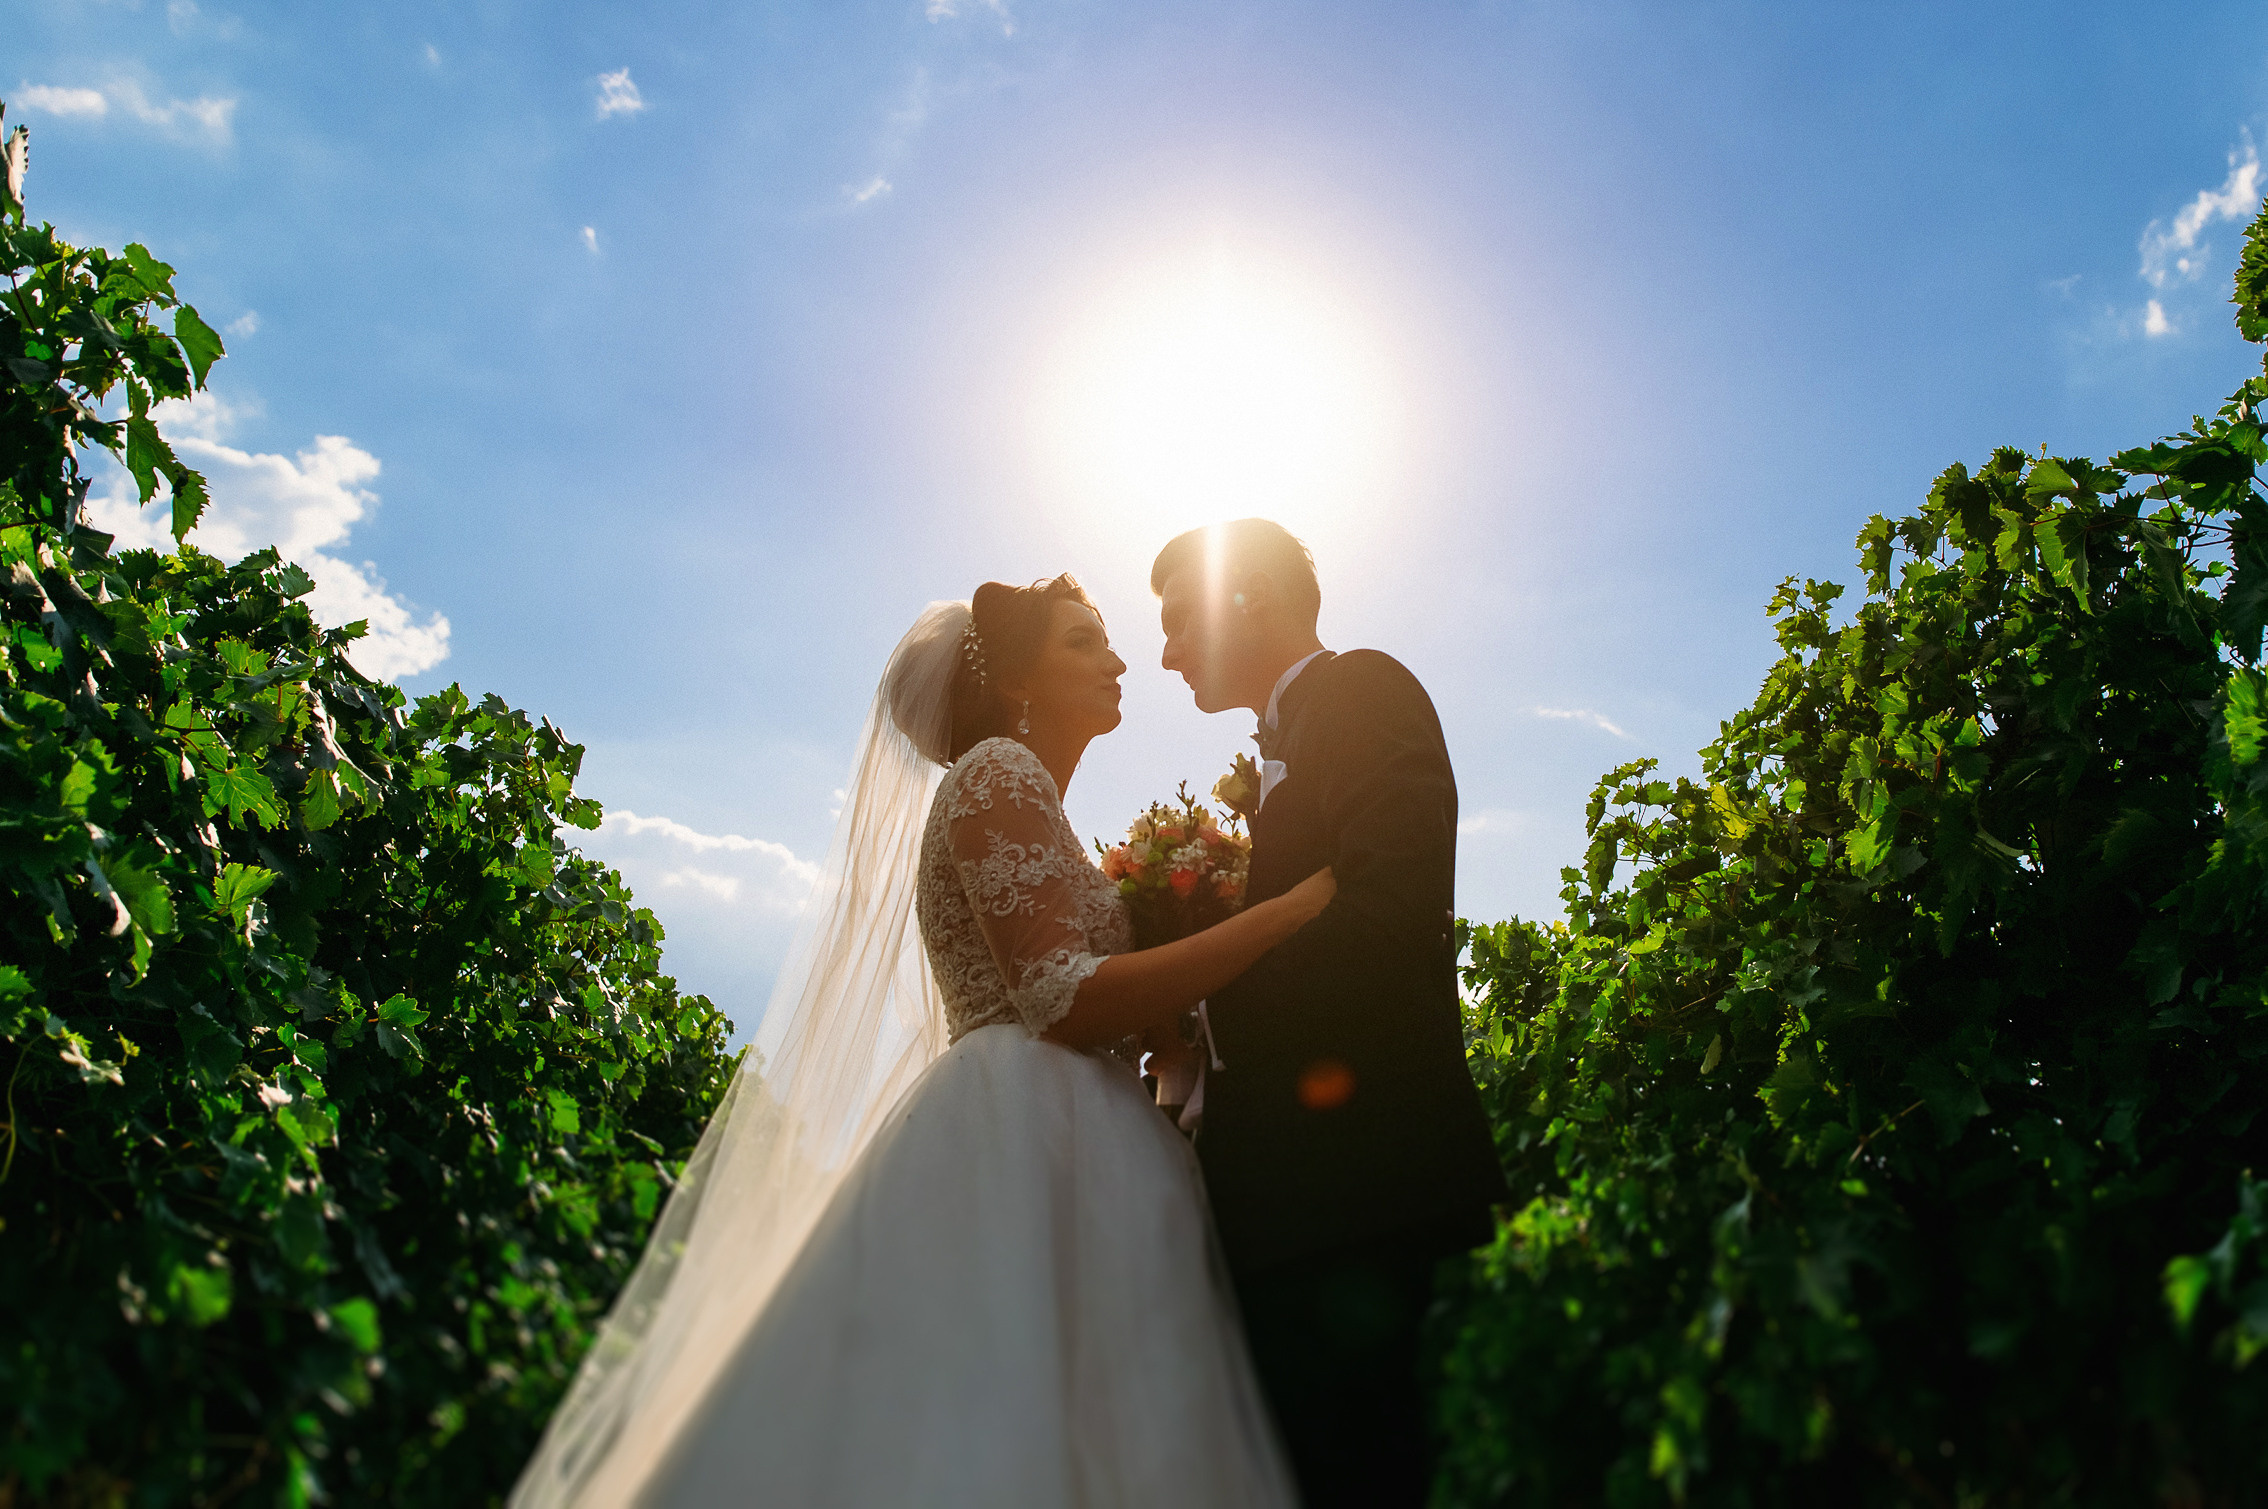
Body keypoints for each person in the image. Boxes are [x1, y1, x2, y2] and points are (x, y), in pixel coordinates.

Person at [510, 575, 1324, 1508]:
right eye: (1083, 641)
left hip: (1072, 1117)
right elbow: (1059, 997)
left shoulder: (1031, 799)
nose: (1117, 660)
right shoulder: (997, 771)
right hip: (1029, 1126)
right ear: (1016, 679)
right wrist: (1279, 918)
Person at [1148, 519, 1508, 1508]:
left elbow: (1390, 916)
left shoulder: (1362, 689)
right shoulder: (1284, 739)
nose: (1168, 653)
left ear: (1252, 596)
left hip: (1349, 1192)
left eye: (1180, 621)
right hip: (1287, 1204)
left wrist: (1202, 1004)